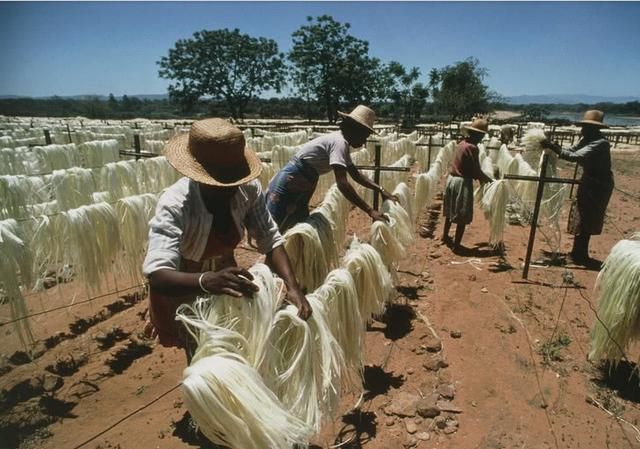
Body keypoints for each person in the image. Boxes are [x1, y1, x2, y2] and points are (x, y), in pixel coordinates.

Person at [142, 118, 311, 354]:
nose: (230, 188)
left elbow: (271, 238)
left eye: (234, 181)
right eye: (220, 183)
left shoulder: (247, 190)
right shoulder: (176, 204)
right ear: (199, 174)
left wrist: (293, 287)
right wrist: (205, 281)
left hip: (224, 276)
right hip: (185, 286)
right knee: (201, 351)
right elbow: (158, 275)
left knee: (234, 342)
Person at [266, 105, 398, 232]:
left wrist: (381, 189)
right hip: (290, 182)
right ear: (355, 129)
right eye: (364, 136)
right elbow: (342, 183)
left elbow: (356, 175)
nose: (363, 142)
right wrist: (370, 210)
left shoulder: (342, 144)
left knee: (295, 227)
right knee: (277, 232)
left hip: (303, 182)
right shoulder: (339, 143)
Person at [541, 110, 614, 266]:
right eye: (583, 127)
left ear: (594, 129)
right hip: (589, 179)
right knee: (580, 213)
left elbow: (575, 157)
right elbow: (571, 151)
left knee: (588, 216)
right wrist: (554, 147)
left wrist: (553, 147)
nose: (582, 130)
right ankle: (577, 252)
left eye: (586, 127)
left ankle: (580, 254)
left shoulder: (600, 143)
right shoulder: (586, 139)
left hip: (599, 184)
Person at [441, 118, 494, 252]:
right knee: (462, 215)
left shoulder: (461, 143)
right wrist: (489, 180)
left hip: (451, 180)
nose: (482, 137)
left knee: (450, 210)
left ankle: (445, 236)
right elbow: (475, 170)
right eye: (481, 135)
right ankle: (457, 246)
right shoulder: (472, 148)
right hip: (462, 182)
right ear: (478, 135)